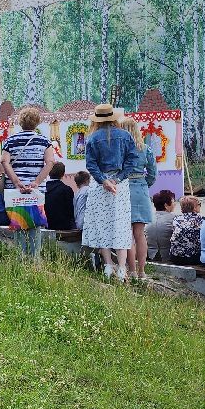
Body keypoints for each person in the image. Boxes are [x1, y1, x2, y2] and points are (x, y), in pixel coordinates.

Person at [82, 104, 140, 280]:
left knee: (102, 224)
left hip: (99, 186)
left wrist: (103, 180)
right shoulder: (125, 135)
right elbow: (132, 160)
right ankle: (122, 269)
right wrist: (118, 179)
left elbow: (90, 164)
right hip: (120, 186)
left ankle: (108, 266)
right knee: (121, 225)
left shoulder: (92, 138)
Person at [0, 105, 58, 256]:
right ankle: (34, 258)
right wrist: (37, 182)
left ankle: (21, 257)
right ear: (37, 122)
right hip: (35, 190)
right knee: (35, 222)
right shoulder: (44, 141)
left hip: (15, 189)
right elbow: (50, 162)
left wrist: (16, 181)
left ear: (20, 122)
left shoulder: (10, 141)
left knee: (18, 221)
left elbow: (5, 162)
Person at [122, 116, 158, 280]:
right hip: (141, 190)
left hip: (123, 189)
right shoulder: (145, 149)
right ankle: (142, 271)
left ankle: (132, 271)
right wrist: (144, 185)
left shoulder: (120, 149)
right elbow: (152, 174)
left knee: (127, 234)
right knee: (140, 234)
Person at [169, 195, 204, 266]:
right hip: (193, 258)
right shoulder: (201, 219)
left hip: (175, 257)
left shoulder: (176, 219)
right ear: (194, 207)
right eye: (199, 204)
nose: (200, 206)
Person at [43, 161, 76, 231]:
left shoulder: (42, 189)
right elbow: (71, 210)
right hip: (63, 226)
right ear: (63, 174)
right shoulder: (66, 189)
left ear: (49, 172)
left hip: (45, 225)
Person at [147, 189, 177, 262]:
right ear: (166, 205)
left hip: (150, 255)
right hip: (167, 256)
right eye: (173, 202)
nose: (175, 204)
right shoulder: (174, 219)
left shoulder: (148, 218)